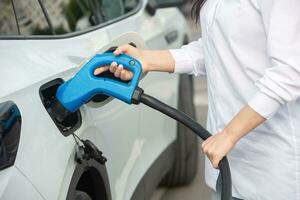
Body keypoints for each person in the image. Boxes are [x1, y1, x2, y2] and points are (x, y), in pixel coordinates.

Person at [94, 0, 300, 199]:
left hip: (273, 170)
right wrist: (146, 60)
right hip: (227, 168)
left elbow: (290, 73)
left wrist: (229, 134)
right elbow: (213, 48)